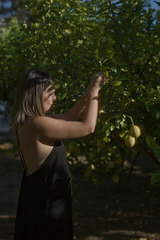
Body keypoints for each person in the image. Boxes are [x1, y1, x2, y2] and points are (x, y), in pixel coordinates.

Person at [11, 69, 105, 239]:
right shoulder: (38, 125)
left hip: (36, 201)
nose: (55, 98)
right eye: (51, 93)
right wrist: (94, 90)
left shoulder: (24, 123)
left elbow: (69, 116)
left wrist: (89, 91)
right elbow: (87, 127)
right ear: (36, 94)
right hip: (48, 205)